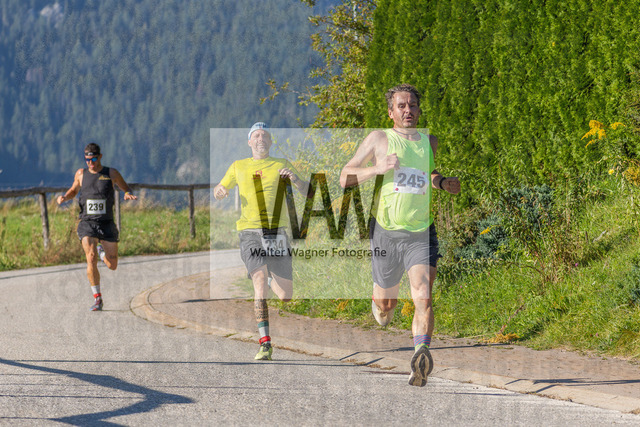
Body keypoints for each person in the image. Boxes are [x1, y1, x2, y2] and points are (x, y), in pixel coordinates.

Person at [340, 83, 461, 387]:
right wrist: (377, 169)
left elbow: (427, 173)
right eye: (402, 106)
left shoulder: (428, 142)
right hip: (387, 233)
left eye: (413, 105)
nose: (408, 111)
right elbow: (345, 177)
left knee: (423, 291)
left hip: (420, 232)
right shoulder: (379, 139)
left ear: (419, 110)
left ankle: (421, 354)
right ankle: (380, 304)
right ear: (391, 112)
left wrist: (442, 182)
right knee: (386, 306)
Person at [214, 122, 308, 361]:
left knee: (285, 295)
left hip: (276, 233)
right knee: (258, 281)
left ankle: (266, 276)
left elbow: (308, 191)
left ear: (270, 141)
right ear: (249, 142)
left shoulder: (281, 163)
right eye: (256, 135)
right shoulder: (239, 166)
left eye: (265, 135)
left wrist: (295, 179)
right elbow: (220, 187)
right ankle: (265, 343)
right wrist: (220, 191)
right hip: (250, 232)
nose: (260, 138)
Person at [57, 143, 137, 311]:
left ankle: (102, 252)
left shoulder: (111, 173)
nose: (90, 163)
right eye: (87, 160)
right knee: (90, 257)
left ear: (100, 157)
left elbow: (126, 188)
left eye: (93, 159)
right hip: (87, 222)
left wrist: (128, 193)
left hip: (106, 223)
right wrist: (65, 197)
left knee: (112, 265)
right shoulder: (81, 174)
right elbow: (73, 190)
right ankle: (97, 298)